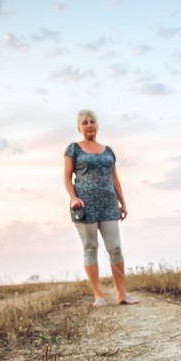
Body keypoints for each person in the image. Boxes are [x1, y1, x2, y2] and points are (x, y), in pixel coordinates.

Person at [64, 109, 138, 306]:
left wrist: (123, 202)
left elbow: (115, 178)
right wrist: (73, 198)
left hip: (108, 204)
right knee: (90, 248)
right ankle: (98, 295)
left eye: (92, 121)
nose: (89, 125)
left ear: (97, 125)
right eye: (85, 122)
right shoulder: (73, 149)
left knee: (115, 248)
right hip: (84, 206)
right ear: (79, 127)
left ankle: (122, 294)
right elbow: (66, 177)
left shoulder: (108, 151)